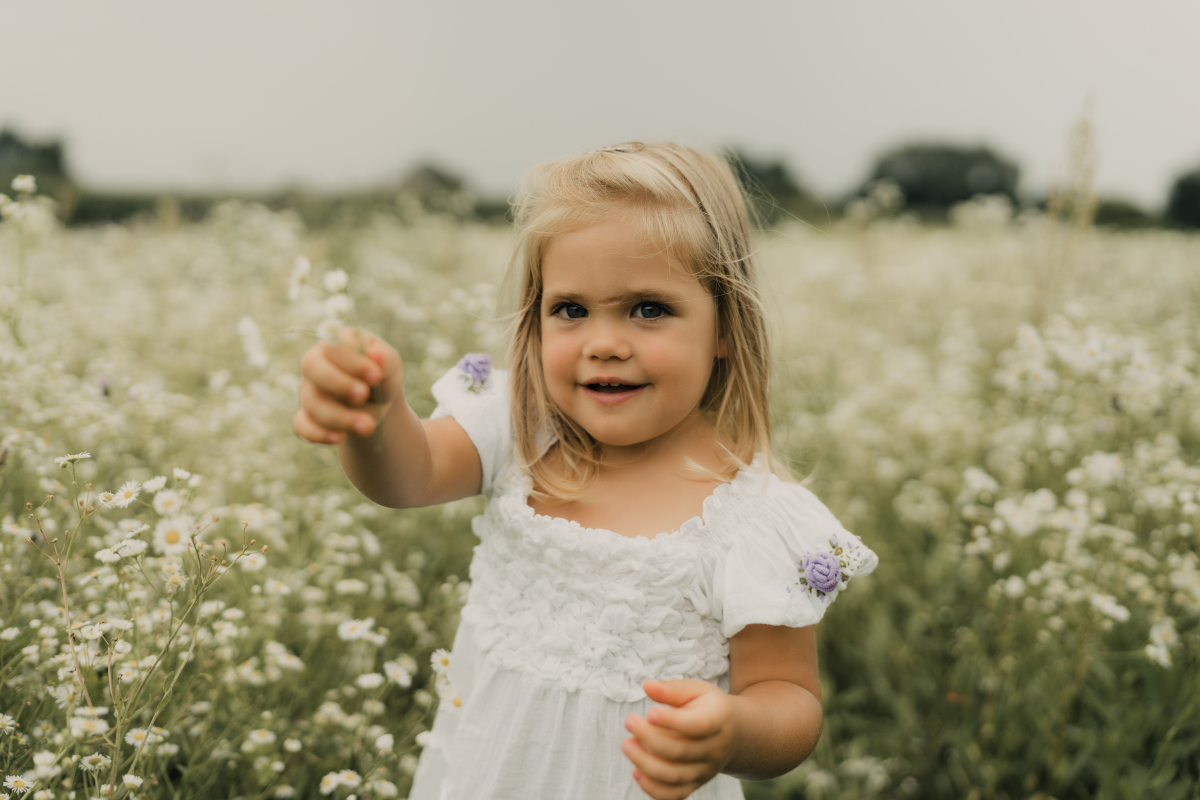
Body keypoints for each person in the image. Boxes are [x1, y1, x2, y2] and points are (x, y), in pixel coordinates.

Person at [294, 141, 878, 800]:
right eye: (571, 310)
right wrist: (373, 416)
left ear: (724, 326)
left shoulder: (752, 521)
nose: (603, 344)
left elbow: (788, 697)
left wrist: (734, 732)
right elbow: (410, 476)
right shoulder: (519, 430)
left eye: (648, 309)